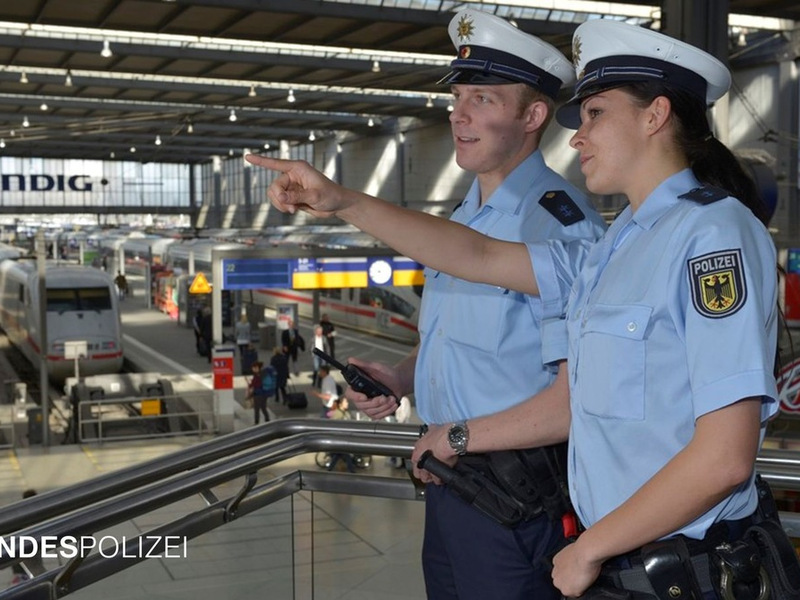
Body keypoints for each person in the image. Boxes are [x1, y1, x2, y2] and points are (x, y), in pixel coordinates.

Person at [246, 18, 796, 600]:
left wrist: (588, 548)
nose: (578, 137)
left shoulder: (713, 236)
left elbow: (725, 459)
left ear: (654, 115)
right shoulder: (615, 245)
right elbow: (477, 255)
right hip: (620, 558)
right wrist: (340, 201)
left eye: (594, 114)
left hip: (684, 565)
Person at [250, 9, 606, 600]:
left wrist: (460, 438)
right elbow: (460, 342)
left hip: (515, 500)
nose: (458, 114)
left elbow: (576, 395)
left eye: (483, 99)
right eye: (458, 96)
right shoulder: (462, 220)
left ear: (533, 116)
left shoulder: (558, 228)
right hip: (447, 479)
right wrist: (401, 373)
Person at [326, 396, 357, 473]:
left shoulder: (345, 413)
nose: (347, 404)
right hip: (339, 439)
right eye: (345, 402)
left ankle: (329, 469)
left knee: (338, 455)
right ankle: (351, 470)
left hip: (342, 438)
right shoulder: (338, 414)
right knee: (345, 454)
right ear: (340, 404)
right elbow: (334, 427)